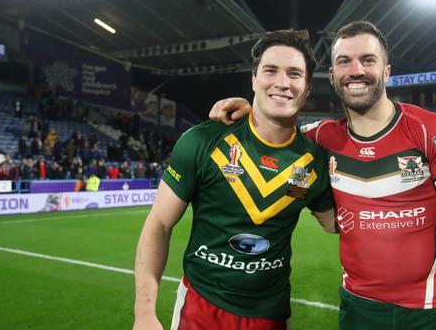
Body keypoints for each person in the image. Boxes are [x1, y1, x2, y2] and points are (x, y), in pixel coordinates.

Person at [210, 20, 436, 330]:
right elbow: (272, 136)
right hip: (355, 307)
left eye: (368, 60)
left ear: (386, 71)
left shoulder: (432, 131)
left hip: (424, 310)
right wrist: (248, 111)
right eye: (344, 61)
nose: (356, 70)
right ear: (332, 76)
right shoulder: (320, 138)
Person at [133, 29, 335, 330]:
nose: (282, 82)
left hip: (271, 316)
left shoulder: (313, 160)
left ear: (306, 89)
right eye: (271, 71)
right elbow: (159, 224)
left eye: (294, 74)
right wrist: (145, 313)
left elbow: (336, 223)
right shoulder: (202, 141)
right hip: (200, 307)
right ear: (253, 79)